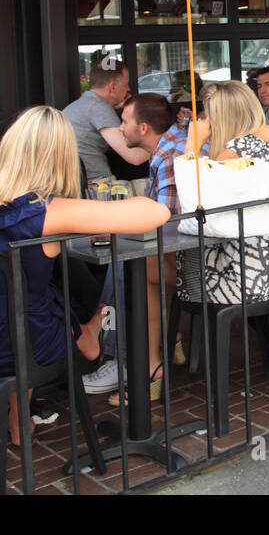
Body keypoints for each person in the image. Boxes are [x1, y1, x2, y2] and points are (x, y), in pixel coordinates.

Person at [0, 105, 169, 445]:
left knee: (27, 300)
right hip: (15, 349)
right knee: (39, 306)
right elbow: (155, 212)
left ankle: (25, 410)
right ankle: (84, 339)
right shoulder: (48, 211)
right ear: (61, 158)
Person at [84, 92, 184, 396]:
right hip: (192, 254)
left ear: (143, 128)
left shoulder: (169, 157)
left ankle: (124, 359)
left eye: (124, 122)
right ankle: (167, 339)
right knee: (130, 257)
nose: (120, 128)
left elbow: (167, 224)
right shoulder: (172, 145)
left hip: (193, 265)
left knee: (129, 262)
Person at [177, 80, 269, 308]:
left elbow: (189, 212)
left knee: (146, 269)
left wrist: (192, 145)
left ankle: (177, 342)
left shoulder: (234, 154)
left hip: (237, 277)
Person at [63, 60, 150, 181]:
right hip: (95, 184)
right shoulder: (99, 108)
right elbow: (135, 157)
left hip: (74, 181)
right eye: (126, 84)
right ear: (113, 86)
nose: (129, 89)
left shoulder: (81, 105)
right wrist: (162, 143)